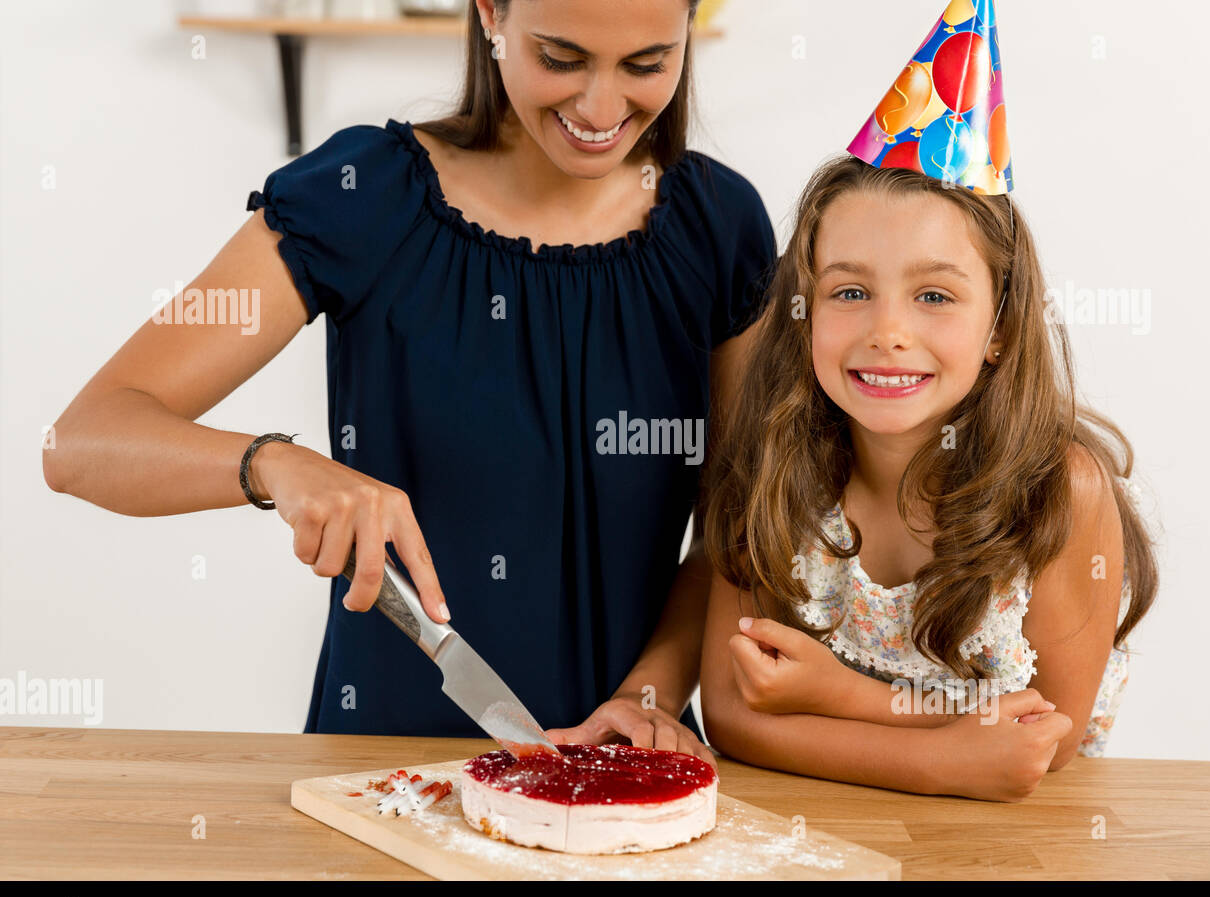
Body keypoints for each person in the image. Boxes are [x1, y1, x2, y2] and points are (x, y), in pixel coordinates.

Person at [42, 0, 776, 766]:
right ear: (491, 13)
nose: (599, 107)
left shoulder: (718, 227)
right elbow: (83, 439)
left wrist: (645, 695)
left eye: (647, 64)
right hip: (381, 778)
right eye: (561, 58)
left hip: (626, 776)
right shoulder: (366, 194)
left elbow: (733, 533)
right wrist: (276, 463)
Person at [699, 1, 1159, 800]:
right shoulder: (776, 464)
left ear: (1002, 327)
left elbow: (1040, 740)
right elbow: (733, 717)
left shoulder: (1062, 496)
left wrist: (836, 698)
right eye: (849, 290)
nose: (887, 332)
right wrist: (942, 757)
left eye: (935, 297)